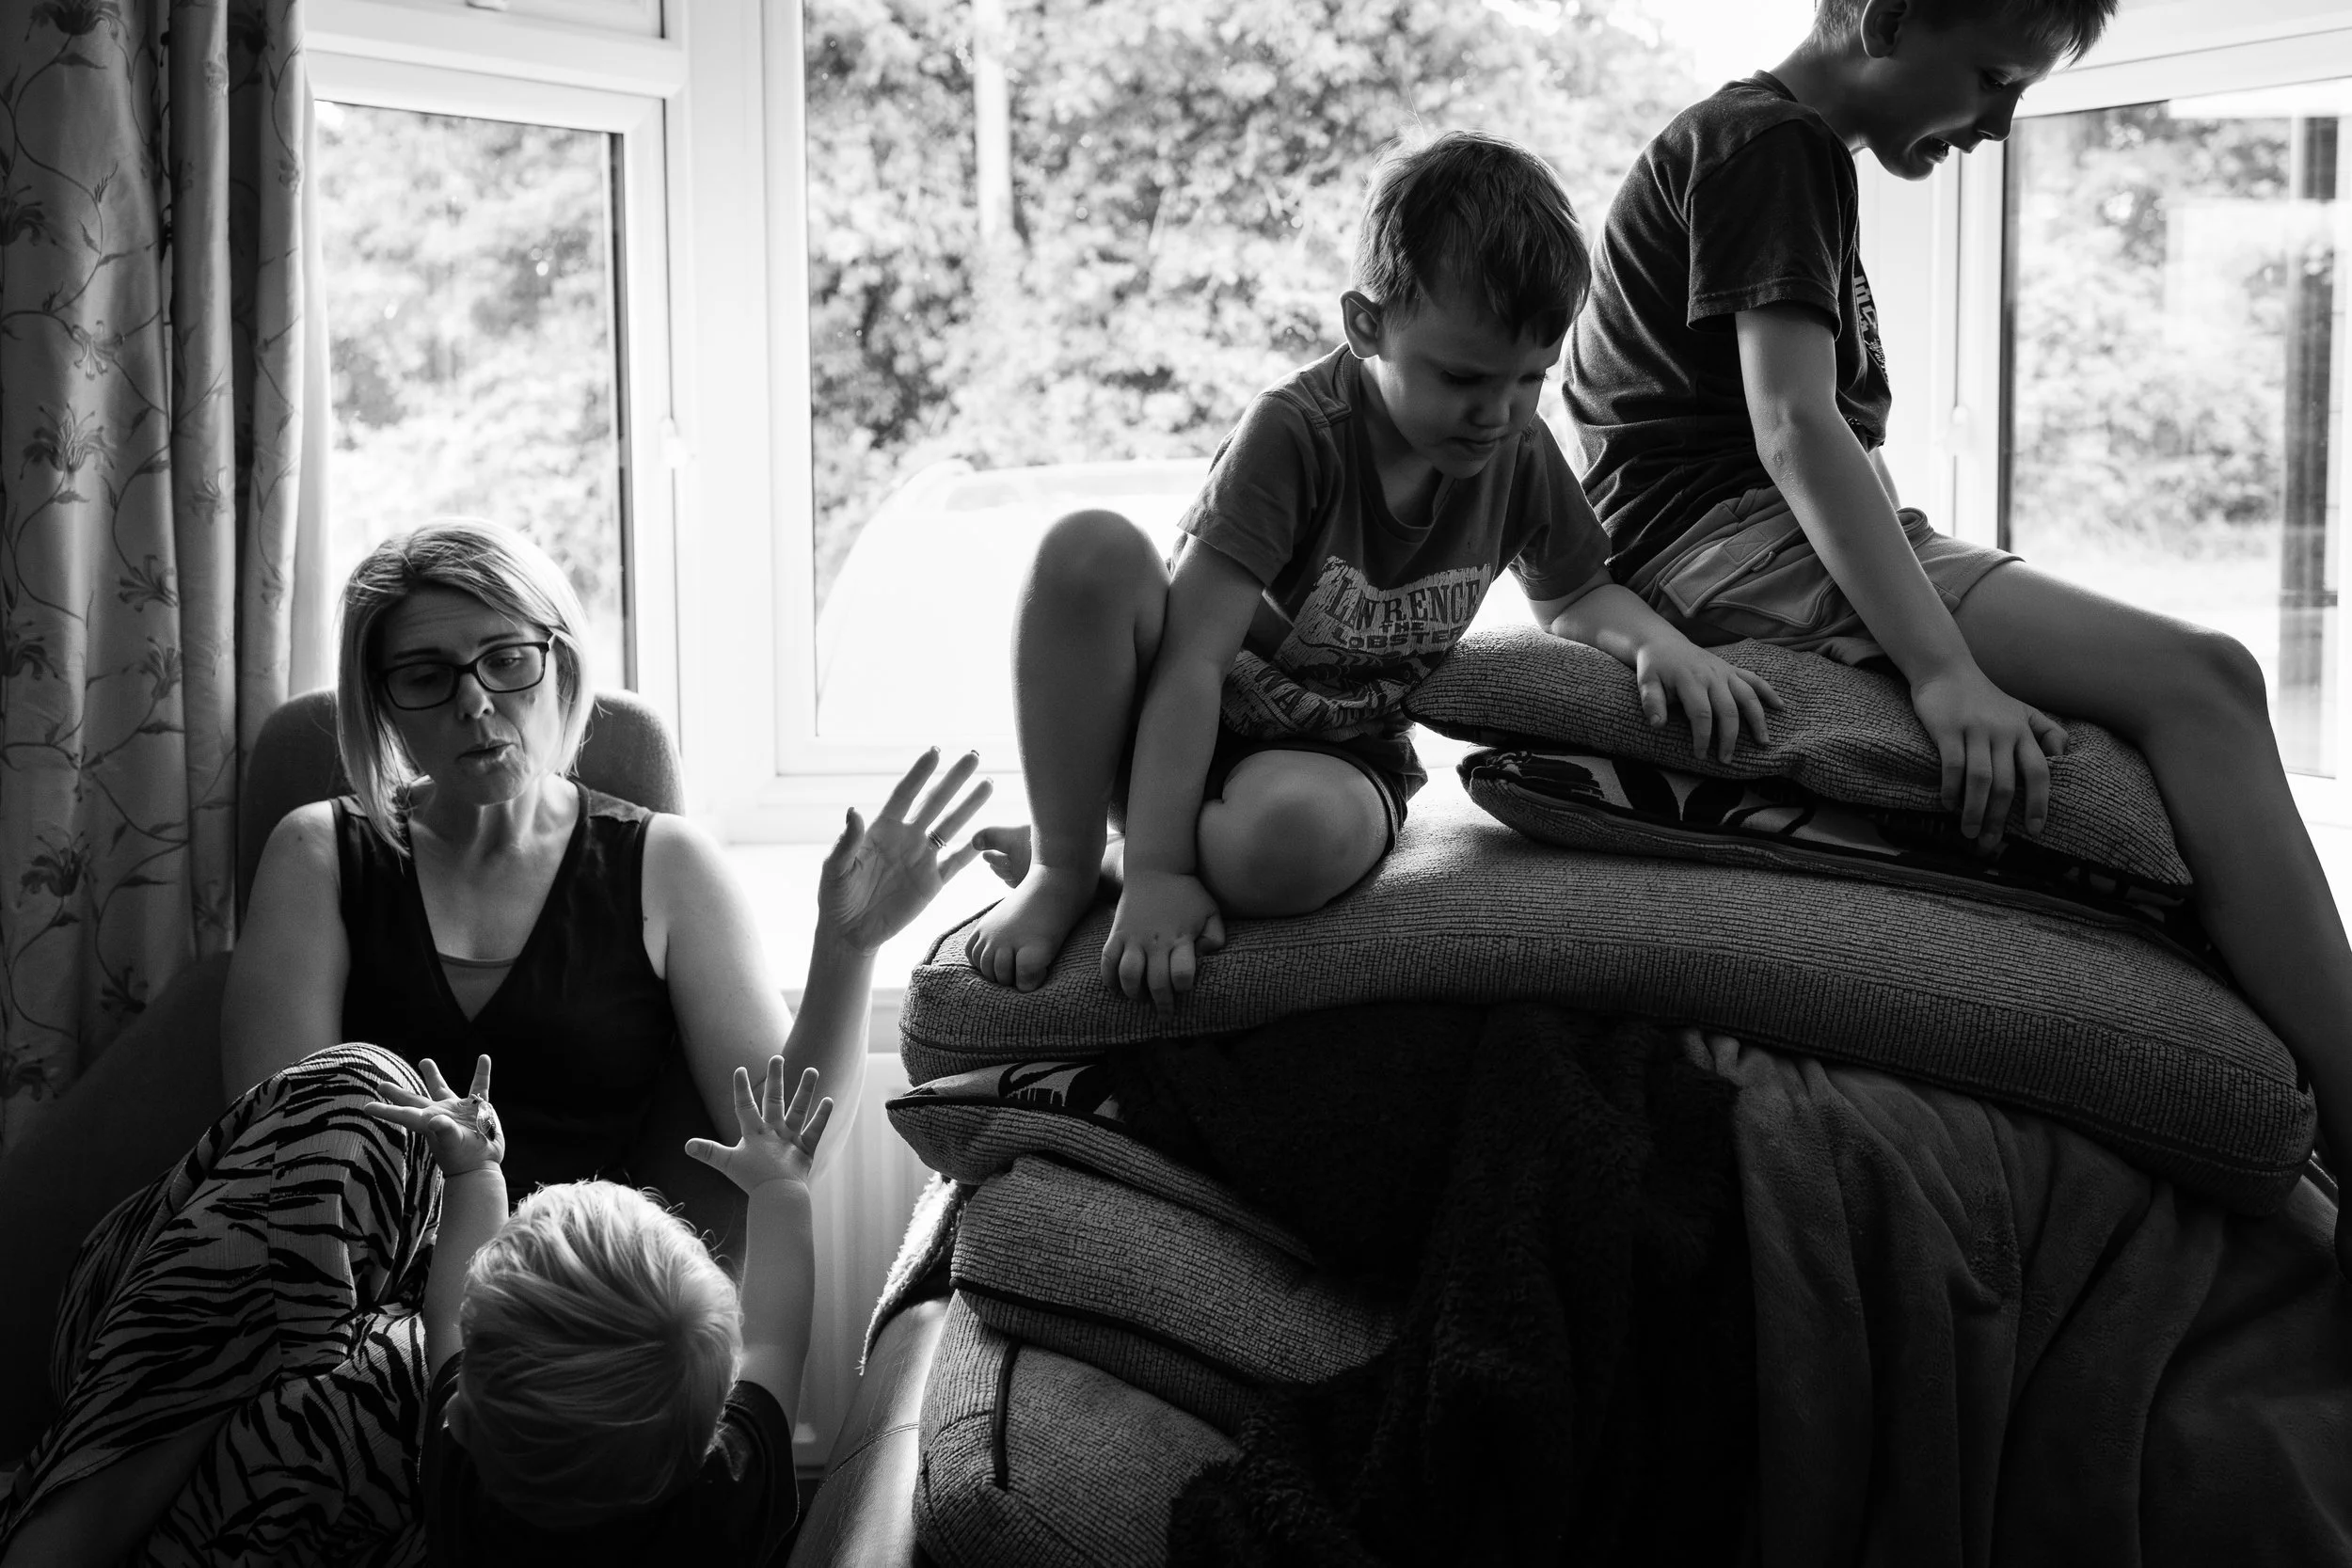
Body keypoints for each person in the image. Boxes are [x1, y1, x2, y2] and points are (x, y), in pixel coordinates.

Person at [0, 517, 989, 1563]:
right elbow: (279, 1178)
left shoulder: (663, 866)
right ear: (380, 704)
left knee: (369, 1395)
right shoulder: (321, 852)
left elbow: (785, 1142)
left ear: (555, 662)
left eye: (506, 658)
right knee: (350, 1099)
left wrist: (845, 946)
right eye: (426, 675)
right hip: (223, 1302)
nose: (476, 700)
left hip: (511, 1356)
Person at [1567, 0, 2352, 1269]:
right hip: (1728, 541)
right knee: (2208, 681)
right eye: (1990, 79)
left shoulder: (1775, 147)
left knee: (2194, 688)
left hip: (1747, 526)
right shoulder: (1773, 142)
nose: (1996, 126)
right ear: (1885, 17)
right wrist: (1943, 667)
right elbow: (1794, 428)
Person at [966, 130, 1784, 1010]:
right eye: (1464, 377)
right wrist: (1162, 872)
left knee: (1289, 845)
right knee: (1086, 549)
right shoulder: (1295, 433)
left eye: (1529, 379)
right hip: (1176, 716)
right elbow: (1191, 661)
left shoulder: (1519, 451)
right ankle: (1064, 860)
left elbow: (1576, 591)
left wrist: (1657, 644)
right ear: (1366, 326)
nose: (1497, 413)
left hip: (1333, 758)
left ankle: (1115, 861)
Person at [362, 1051, 830, 1563]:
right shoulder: (730, 1491)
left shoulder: (466, 1486)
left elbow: (446, 1315)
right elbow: (777, 1340)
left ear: (462, 1420)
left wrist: (472, 1172)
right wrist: (779, 1185)